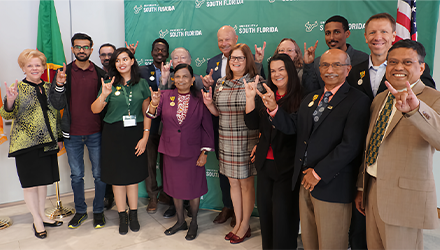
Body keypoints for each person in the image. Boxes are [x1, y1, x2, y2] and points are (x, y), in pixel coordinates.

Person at [263, 49, 370, 250]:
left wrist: (318, 172)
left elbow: (351, 146)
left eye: (336, 65)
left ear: (348, 69)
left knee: (330, 243)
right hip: (304, 183)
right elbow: (294, 126)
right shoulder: (312, 98)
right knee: (309, 241)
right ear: (319, 70)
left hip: (332, 186)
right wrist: (274, 108)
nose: (330, 70)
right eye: (324, 65)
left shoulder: (358, 100)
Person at [354, 39, 440, 250]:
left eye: (407, 62)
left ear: (421, 68)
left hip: (404, 198)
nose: (398, 67)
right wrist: (361, 187)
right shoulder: (380, 99)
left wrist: (415, 109)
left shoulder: (432, 98)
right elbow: (370, 146)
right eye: (393, 62)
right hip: (372, 191)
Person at [202, 25, 265, 227]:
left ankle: (245, 225)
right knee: (232, 183)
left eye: (240, 58)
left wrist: (250, 96)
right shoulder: (221, 83)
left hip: (246, 140)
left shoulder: (256, 83)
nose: (235, 61)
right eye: (233, 58)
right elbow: (219, 114)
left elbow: (258, 119)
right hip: (226, 141)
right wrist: (210, 104)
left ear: (248, 61)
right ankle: (238, 222)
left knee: (246, 185)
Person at [0, 49, 63, 239]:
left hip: (48, 143)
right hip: (25, 145)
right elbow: (7, 115)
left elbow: (56, 115)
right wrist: (9, 101)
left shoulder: (50, 85)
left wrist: (59, 137)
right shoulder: (16, 87)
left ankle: (43, 214)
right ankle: (36, 219)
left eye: (38, 65)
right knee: (29, 185)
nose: (34, 68)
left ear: (44, 67)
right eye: (30, 65)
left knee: (43, 182)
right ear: (23, 68)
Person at [146, 64, 214, 240]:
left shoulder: (201, 98)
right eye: (177, 76)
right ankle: (180, 221)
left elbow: (207, 127)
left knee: (193, 189)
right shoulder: (165, 95)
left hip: (193, 152)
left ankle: (194, 223)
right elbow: (152, 115)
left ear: (193, 80)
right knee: (175, 188)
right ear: (173, 79)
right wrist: (153, 104)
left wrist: (204, 152)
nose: (181, 80)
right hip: (170, 151)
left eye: (185, 77)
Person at [49, 33, 107, 230]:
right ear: (72, 49)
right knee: (76, 176)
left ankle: (98, 212)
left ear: (91, 49)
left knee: (100, 175)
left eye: (85, 47)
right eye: (77, 47)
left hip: (96, 132)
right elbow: (55, 104)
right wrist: (59, 84)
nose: (81, 50)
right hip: (72, 134)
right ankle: (81, 212)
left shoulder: (100, 74)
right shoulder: (63, 73)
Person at [244, 54, 302, 250]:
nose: (277, 74)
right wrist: (250, 98)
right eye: (273, 70)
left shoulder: (302, 97)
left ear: (290, 71)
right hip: (264, 165)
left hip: (287, 168)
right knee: (266, 217)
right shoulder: (268, 93)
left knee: (283, 219)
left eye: (281, 69)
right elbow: (253, 125)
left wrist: (275, 108)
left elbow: (292, 129)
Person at [91, 47, 151, 235]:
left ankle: (134, 214)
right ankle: (122, 215)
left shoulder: (142, 84)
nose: (121, 63)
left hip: (135, 134)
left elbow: (147, 112)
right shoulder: (109, 83)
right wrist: (104, 95)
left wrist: (145, 137)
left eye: (125, 59)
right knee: (117, 179)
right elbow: (95, 110)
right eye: (118, 60)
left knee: (132, 178)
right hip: (113, 134)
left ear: (132, 61)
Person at [347, 13, 435, 102]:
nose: (377, 37)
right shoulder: (354, 72)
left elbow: (430, 100)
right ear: (366, 37)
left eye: (384, 32)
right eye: (372, 32)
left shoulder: (415, 68)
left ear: (393, 36)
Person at [138, 38, 174, 216]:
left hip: (170, 127)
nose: (160, 53)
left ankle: (168, 195)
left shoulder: (177, 73)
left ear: (168, 53)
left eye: (163, 50)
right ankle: (152, 196)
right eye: (156, 50)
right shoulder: (142, 71)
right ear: (151, 52)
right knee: (150, 163)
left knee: (168, 164)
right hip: (149, 124)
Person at [303, 15, 368, 93]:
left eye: (337, 32)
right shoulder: (317, 63)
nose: (331, 38)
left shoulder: (363, 59)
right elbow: (310, 92)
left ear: (347, 34)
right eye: (327, 33)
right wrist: (308, 65)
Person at [98, 42, 116, 210]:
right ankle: (107, 195)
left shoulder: (120, 74)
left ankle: (116, 195)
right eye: (103, 54)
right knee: (105, 163)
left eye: (110, 54)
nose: (107, 57)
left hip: (118, 124)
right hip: (99, 125)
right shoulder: (95, 74)